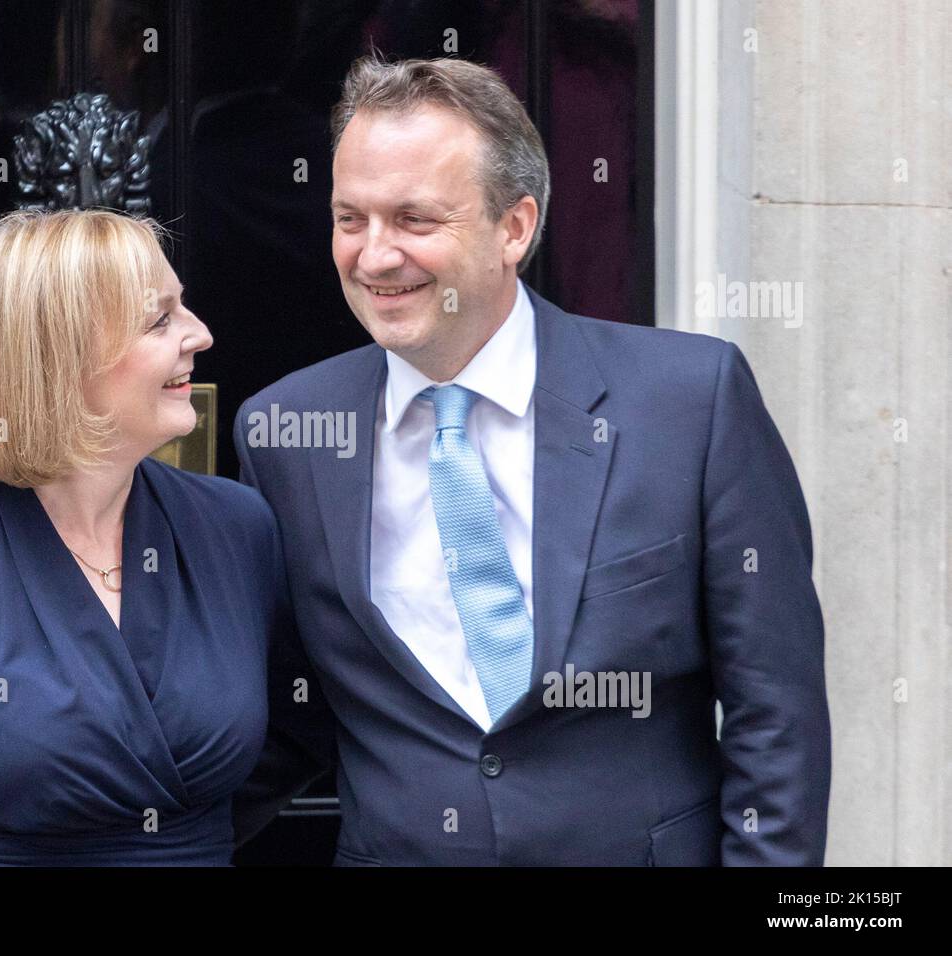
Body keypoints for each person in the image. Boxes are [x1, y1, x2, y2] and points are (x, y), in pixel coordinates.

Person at [231, 56, 831, 865]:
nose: (374, 256)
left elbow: (776, 714)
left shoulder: (691, 401)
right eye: (351, 219)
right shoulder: (287, 433)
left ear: (515, 227)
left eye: (414, 220)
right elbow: (282, 717)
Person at [0, 209, 283, 865]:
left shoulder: (239, 532)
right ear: (59, 362)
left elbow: (300, 732)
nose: (201, 335)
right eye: (160, 320)